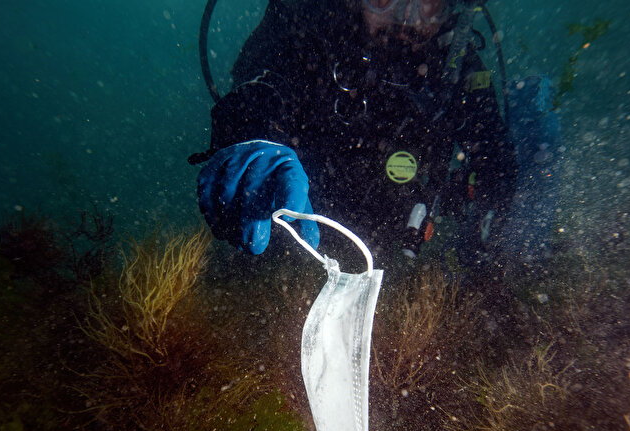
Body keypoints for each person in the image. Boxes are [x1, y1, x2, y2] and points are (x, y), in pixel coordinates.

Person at [193, 0, 519, 269]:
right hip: (286, 239)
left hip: (395, 256)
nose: (406, 18)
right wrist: (250, 136)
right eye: (384, 0)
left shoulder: (457, 66)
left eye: (428, 3)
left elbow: (497, 162)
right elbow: (260, 82)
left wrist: (477, 225)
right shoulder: (310, 22)